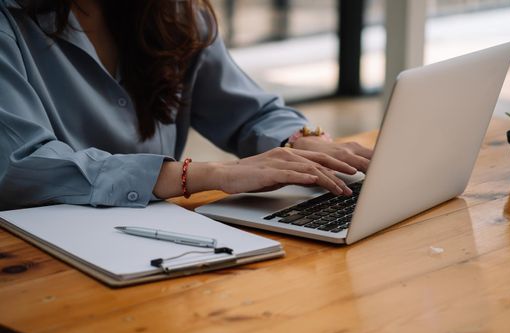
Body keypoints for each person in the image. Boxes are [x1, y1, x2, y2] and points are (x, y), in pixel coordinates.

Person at [0, 0, 373, 210]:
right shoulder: (9, 21)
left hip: (159, 241)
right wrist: (211, 175)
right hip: (39, 257)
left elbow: (249, 112)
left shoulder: (170, 11)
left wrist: (302, 140)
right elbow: (22, 165)